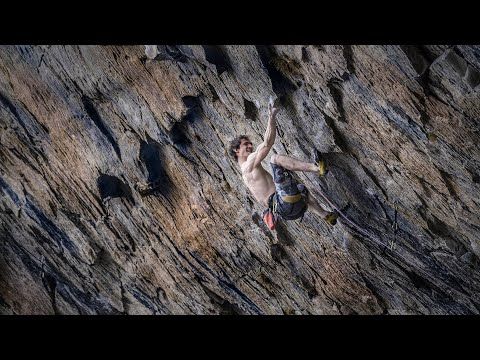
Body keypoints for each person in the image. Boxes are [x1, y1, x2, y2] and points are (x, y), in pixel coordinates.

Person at [229, 99, 338, 230]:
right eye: (245, 144)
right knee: (275, 158)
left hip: (288, 212)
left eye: (250, 143)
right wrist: (272, 116)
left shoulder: (245, 176)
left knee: (301, 188)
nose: (250, 145)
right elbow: (267, 144)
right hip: (283, 202)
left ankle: (326, 215)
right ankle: (316, 168)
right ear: (237, 150)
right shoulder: (248, 164)